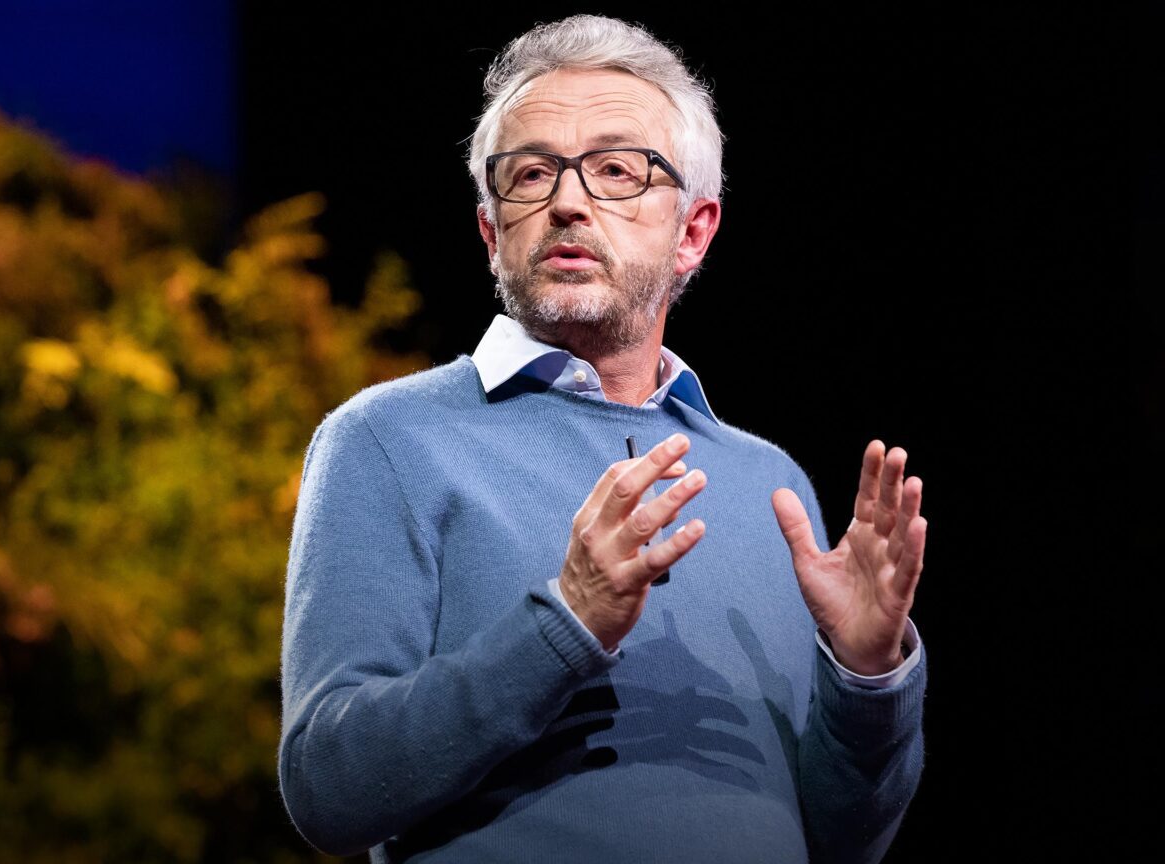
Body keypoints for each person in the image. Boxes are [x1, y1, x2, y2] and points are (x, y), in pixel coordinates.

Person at [278, 14, 927, 864]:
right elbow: (330, 787)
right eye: (531, 173)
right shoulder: (389, 440)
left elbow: (845, 841)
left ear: (693, 232)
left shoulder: (771, 486)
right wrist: (567, 624)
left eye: (617, 170)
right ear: (490, 230)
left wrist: (869, 677)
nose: (568, 201)